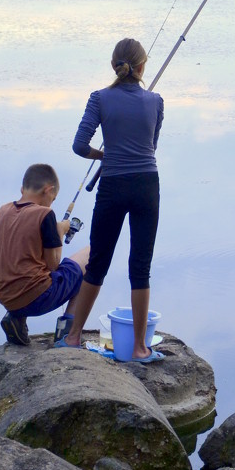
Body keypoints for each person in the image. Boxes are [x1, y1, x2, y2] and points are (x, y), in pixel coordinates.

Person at [57, 38, 165, 363]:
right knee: (140, 266)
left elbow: (79, 145)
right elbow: (151, 146)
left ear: (113, 66)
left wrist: (102, 154)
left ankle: (73, 336)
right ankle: (140, 348)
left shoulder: (99, 98)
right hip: (147, 185)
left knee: (98, 262)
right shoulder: (156, 101)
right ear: (143, 67)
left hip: (113, 185)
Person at [0, 163, 90, 346]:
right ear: (48, 190)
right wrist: (59, 231)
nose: (51, 203)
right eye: (53, 198)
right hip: (37, 298)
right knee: (93, 256)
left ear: (23, 188)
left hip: (5, 297)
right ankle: (67, 333)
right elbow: (53, 264)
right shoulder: (45, 214)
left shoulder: (2, 212)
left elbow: (8, 254)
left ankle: (15, 318)